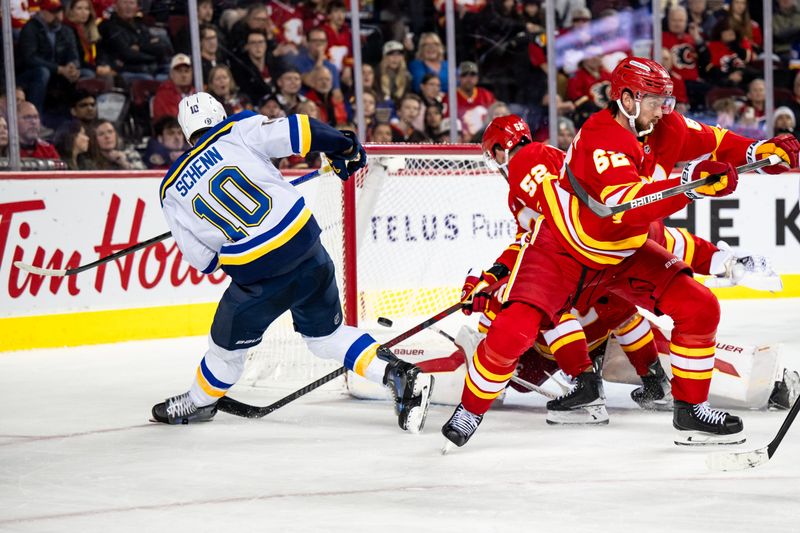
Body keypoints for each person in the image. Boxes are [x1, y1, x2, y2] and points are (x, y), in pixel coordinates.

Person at [442, 57, 800, 449]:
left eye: (668, 100)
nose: (665, 109)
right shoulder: (600, 135)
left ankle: (690, 411)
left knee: (699, 306)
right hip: (561, 251)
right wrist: (690, 185)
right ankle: (470, 409)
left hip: (620, 254)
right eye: (654, 100)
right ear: (627, 99)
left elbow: (716, 141)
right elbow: (624, 206)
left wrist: (760, 154)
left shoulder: (667, 126)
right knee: (514, 330)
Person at [151, 92, 434, 431]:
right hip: (308, 252)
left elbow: (204, 261)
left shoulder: (171, 188)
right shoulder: (239, 128)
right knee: (326, 337)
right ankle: (400, 376)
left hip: (258, 280)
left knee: (224, 352)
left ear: (186, 132)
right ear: (220, 114)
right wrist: (342, 145)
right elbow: (301, 130)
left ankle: (199, 402)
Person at [16, 0, 80, 116]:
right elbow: (30, 59)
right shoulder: (30, 28)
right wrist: (59, 69)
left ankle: (74, 118)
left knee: (86, 74)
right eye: (53, 12)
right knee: (42, 72)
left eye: (59, 11)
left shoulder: (66, 30)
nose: (57, 16)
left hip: (59, 73)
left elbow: (74, 55)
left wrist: (72, 66)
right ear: (42, 11)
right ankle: (35, 117)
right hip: (28, 74)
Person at [152, 54, 197, 125]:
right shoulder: (163, 95)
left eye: (186, 71)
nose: (184, 75)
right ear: (171, 74)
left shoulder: (197, 92)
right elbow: (171, 121)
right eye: (179, 71)